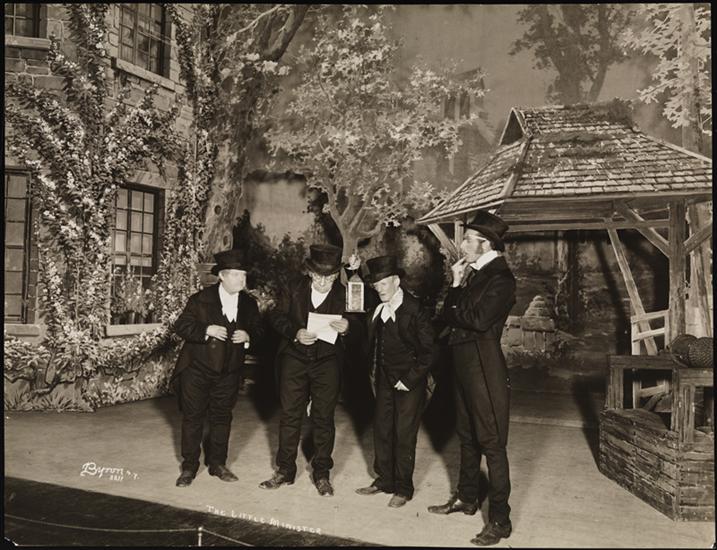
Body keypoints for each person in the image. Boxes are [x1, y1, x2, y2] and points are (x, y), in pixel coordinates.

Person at [427, 210, 516, 547]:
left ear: (486, 244)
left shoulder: (502, 279)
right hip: (464, 363)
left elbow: (477, 320)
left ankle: (500, 520)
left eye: (467, 240)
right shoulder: (473, 274)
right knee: (466, 436)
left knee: (492, 443)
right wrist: (454, 284)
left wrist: (454, 307)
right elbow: (452, 314)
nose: (462, 245)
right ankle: (467, 498)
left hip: (483, 365)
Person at [259, 244, 357, 496]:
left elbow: (360, 323)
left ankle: (322, 473)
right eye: (318, 276)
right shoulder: (293, 287)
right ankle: (284, 470)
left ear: (336, 275)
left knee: (324, 418)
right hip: (294, 358)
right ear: (310, 272)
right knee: (290, 415)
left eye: (330, 277)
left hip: (328, 361)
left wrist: (348, 327)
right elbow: (276, 316)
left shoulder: (345, 293)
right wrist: (295, 332)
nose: (324, 282)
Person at [172, 248, 264, 487]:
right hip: (197, 369)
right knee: (193, 418)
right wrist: (206, 330)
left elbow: (260, 331)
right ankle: (189, 467)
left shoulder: (249, 303)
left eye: (243, 275)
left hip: (229, 371)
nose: (241, 280)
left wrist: (248, 336)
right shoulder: (200, 299)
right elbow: (181, 326)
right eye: (235, 275)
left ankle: (218, 464)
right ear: (221, 276)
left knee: (222, 417)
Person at [355, 255, 435, 508]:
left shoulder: (415, 309)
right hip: (383, 378)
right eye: (376, 285)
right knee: (382, 428)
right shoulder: (378, 306)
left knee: (404, 434)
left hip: (410, 381)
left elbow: (430, 352)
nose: (379, 289)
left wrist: (409, 379)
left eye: (384, 284)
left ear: (396, 281)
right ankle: (385, 480)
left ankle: (403, 488)